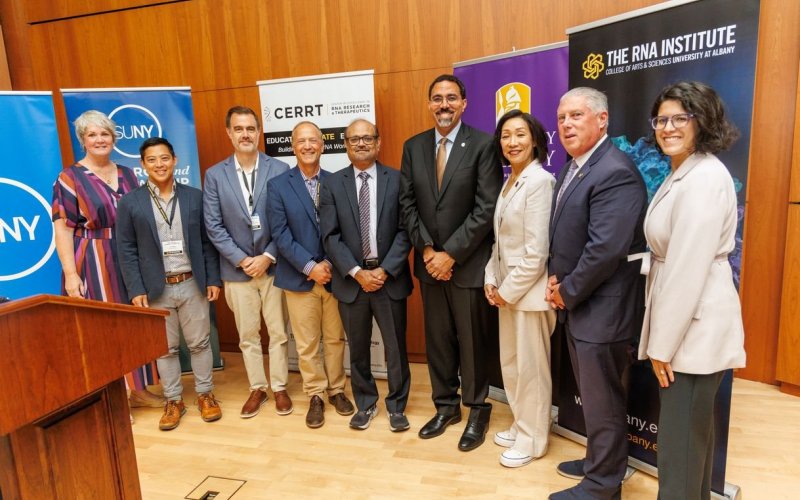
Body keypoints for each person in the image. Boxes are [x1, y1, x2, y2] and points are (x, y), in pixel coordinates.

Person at [639, 81, 746, 500]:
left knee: (682, 447)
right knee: (690, 442)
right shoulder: (685, 170)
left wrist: (662, 345)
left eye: (680, 118)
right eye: (662, 119)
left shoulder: (702, 178)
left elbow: (686, 268)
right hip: (690, 319)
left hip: (692, 327)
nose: (667, 127)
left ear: (702, 121)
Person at [546, 88, 647, 500]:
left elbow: (605, 249)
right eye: (562, 117)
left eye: (576, 116)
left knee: (603, 400)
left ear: (602, 120)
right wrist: (559, 283)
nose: (566, 124)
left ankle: (604, 486)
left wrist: (566, 291)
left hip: (601, 310)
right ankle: (600, 462)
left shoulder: (614, 171)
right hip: (579, 303)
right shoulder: (575, 166)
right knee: (595, 396)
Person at [399, 74, 503, 451]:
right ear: (429, 104)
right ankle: (446, 406)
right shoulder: (413, 147)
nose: (444, 105)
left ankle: (476, 408)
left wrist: (450, 254)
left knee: (473, 341)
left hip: (467, 263)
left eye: (451, 98)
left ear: (464, 103)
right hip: (429, 265)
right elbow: (406, 204)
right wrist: (427, 250)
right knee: (438, 341)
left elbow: (486, 206)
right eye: (437, 99)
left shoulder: (483, 145)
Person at [52, 110, 163, 416]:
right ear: (83, 141)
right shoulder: (69, 178)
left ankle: (138, 390)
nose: (99, 140)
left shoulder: (128, 173)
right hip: (92, 258)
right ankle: (113, 398)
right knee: (101, 329)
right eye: (92, 135)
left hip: (129, 255)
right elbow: (63, 228)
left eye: (105, 134)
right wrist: (71, 274)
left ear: (114, 138)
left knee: (134, 323)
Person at [117, 137, 223, 430]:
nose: (159, 165)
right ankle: (173, 400)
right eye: (152, 160)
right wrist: (135, 288)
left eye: (164, 158)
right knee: (165, 349)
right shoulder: (130, 202)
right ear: (143, 165)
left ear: (174, 160)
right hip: (155, 287)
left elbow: (207, 242)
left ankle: (205, 395)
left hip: (192, 282)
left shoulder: (194, 197)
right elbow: (126, 249)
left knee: (201, 344)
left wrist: (213, 278)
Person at [320, 119, 413, 431]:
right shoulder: (333, 184)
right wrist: (358, 272)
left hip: (390, 279)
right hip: (352, 283)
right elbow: (330, 237)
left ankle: (397, 406)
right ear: (345, 145)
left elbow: (405, 230)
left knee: (395, 348)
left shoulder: (398, 180)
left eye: (367, 138)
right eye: (354, 139)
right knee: (358, 348)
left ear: (378, 142)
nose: (361, 143)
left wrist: (385, 270)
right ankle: (366, 403)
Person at [204, 106, 292, 418]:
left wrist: (267, 257)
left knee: (279, 332)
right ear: (229, 133)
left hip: (273, 267)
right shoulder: (215, 175)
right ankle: (258, 387)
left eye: (251, 128)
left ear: (259, 132)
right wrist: (244, 260)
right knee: (248, 335)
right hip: (236, 271)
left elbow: (286, 221)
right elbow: (213, 226)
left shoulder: (279, 169)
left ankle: (280, 386)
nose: (245, 134)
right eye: (239, 129)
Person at [267, 121, 355, 429]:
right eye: (301, 141)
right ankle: (315, 394)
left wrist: (330, 265)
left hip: (334, 277)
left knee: (335, 339)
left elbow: (346, 230)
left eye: (313, 140)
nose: (307, 145)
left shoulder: (337, 182)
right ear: (293, 146)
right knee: (306, 345)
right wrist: (310, 267)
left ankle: (337, 390)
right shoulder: (278, 185)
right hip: (299, 278)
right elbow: (280, 235)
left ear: (322, 144)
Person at [484, 110, 556, 468]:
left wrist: (506, 291)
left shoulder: (540, 182)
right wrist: (489, 279)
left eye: (520, 135)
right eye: (506, 136)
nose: (512, 142)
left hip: (527, 296)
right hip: (506, 293)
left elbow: (536, 252)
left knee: (532, 371)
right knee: (512, 366)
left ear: (536, 140)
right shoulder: (509, 181)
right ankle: (521, 423)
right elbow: (500, 243)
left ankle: (534, 440)